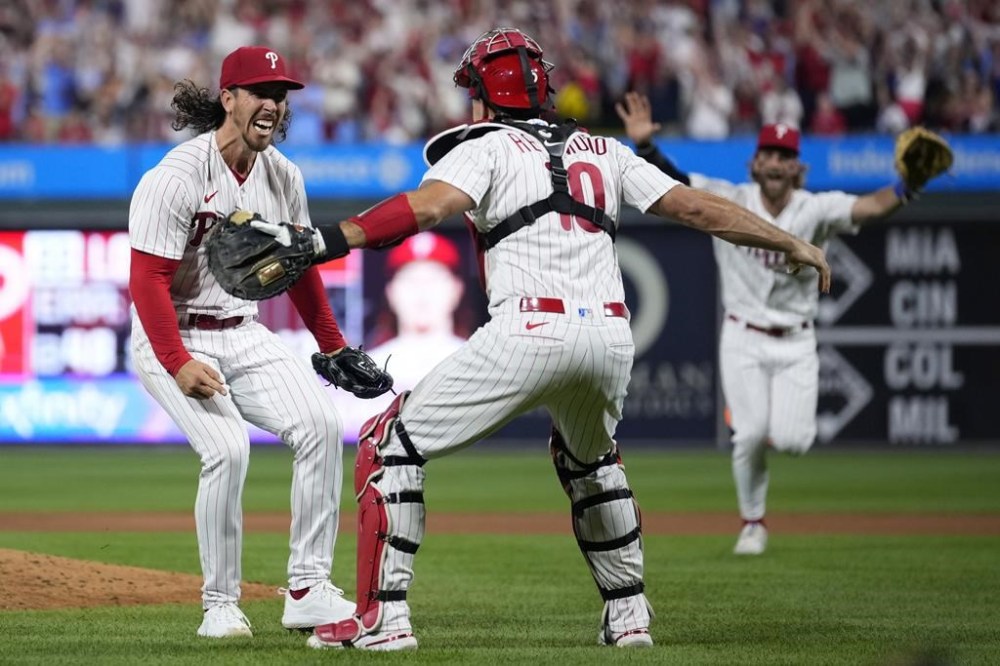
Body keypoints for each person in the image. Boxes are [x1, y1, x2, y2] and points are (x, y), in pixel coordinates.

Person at [254, 28, 830, 650]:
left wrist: (325, 240)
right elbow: (696, 207)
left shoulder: (487, 144)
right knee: (593, 462)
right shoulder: (604, 150)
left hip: (529, 328)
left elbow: (427, 207)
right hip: (611, 336)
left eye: (473, 89)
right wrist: (791, 241)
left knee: (389, 444)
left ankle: (382, 620)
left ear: (484, 93)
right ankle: (630, 616)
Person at [616, 91, 916, 556]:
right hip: (742, 334)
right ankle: (752, 522)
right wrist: (646, 148)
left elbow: (871, 207)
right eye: (769, 154)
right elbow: (674, 183)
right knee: (750, 433)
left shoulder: (815, 209)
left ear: (798, 167)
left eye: (786, 156)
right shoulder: (732, 198)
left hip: (797, 341)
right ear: (755, 163)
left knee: (794, 442)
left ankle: (763, 473)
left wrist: (905, 187)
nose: (776, 163)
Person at [127, 45, 355, 638]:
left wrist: (331, 345)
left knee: (321, 427)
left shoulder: (284, 175)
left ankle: (307, 588)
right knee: (227, 449)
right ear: (227, 99)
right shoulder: (178, 176)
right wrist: (177, 362)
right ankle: (221, 605)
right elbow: (147, 280)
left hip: (243, 330)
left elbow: (298, 268)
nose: (273, 105)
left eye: (280, 95)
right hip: (172, 332)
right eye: (260, 91)